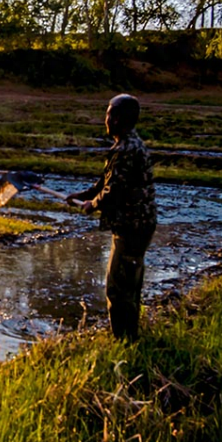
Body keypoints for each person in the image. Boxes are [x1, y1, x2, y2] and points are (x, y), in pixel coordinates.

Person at [66, 94, 157, 341]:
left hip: (132, 227)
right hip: (139, 225)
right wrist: (85, 194)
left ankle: (124, 342)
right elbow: (107, 182)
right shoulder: (129, 144)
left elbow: (113, 192)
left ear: (117, 118)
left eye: (108, 113)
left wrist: (92, 205)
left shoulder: (126, 149)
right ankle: (130, 337)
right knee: (130, 284)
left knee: (118, 288)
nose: (105, 119)